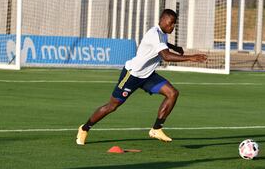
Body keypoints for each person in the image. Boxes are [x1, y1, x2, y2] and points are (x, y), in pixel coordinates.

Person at [76, 9, 207, 145]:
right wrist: (191, 57)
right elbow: (166, 56)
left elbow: (163, 44)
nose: (172, 26)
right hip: (132, 74)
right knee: (112, 106)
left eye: (174, 24)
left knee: (172, 93)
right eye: (170, 23)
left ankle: (156, 129)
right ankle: (85, 128)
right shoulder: (154, 34)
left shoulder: (163, 34)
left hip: (148, 76)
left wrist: (174, 47)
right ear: (162, 21)